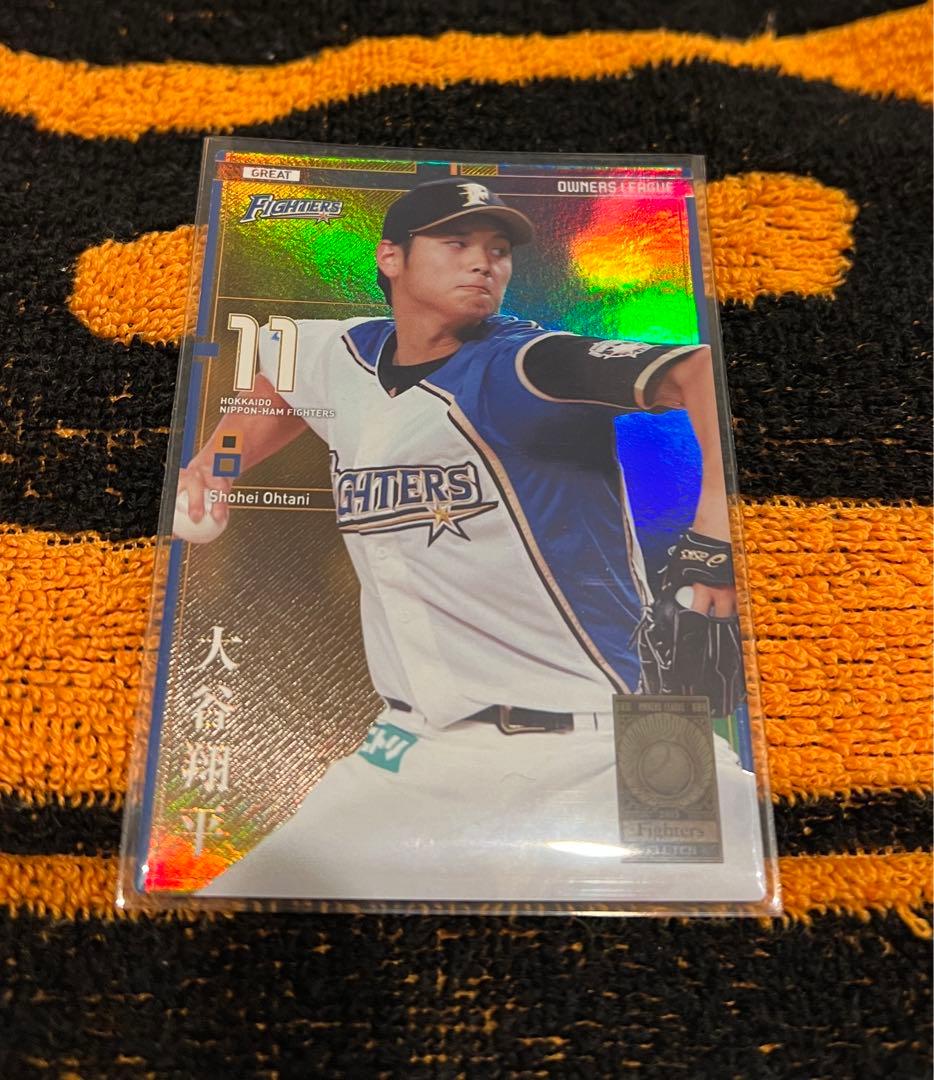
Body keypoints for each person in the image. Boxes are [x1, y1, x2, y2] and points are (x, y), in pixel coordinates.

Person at [184, 178, 764, 903]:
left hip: (615, 743)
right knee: (233, 912)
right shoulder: (344, 352)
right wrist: (216, 467)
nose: (483, 261)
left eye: (496, 249)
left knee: (719, 920)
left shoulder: (527, 364)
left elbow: (699, 371)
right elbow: (279, 378)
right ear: (391, 258)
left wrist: (717, 533)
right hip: (417, 749)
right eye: (456, 243)